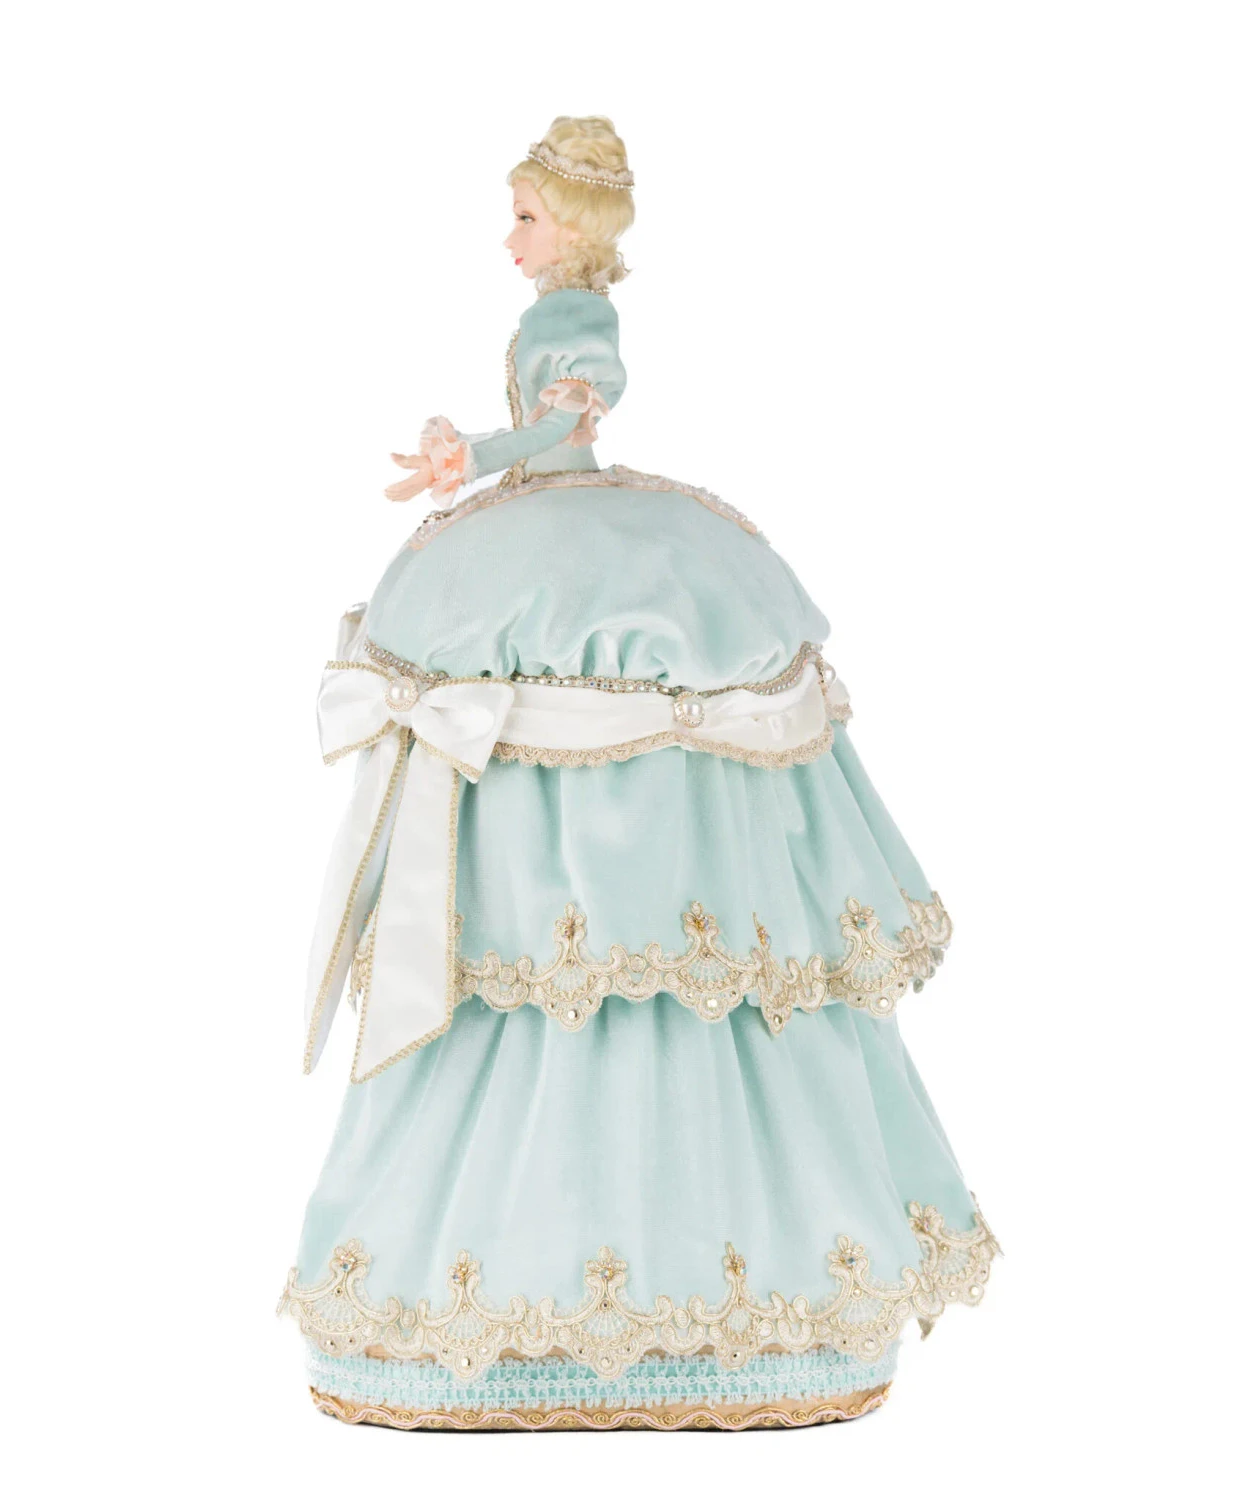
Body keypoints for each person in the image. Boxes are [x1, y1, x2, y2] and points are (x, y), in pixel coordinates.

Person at [278, 114, 999, 1432]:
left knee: (637, 931)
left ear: (572, 226)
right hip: (543, 529)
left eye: (525, 215)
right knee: (525, 963)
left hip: (557, 524)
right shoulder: (551, 314)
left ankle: (730, 1313)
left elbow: (561, 432)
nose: (510, 236)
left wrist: (470, 462)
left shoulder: (579, 323)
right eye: (514, 214)